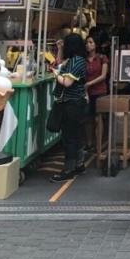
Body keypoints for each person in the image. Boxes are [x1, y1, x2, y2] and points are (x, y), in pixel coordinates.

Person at [50, 33, 88, 183]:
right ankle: (79, 164)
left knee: (70, 137)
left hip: (72, 103)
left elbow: (67, 82)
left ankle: (68, 169)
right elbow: (60, 63)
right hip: (74, 103)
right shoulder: (74, 59)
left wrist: (55, 74)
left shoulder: (77, 61)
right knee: (75, 135)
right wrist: (59, 49)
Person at [84, 34, 108, 153]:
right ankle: (89, 143)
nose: (88, 45)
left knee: (99, 119)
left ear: (96, 44)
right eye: (87, 43)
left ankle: (98, 144)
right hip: (87, 92)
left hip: (100, 91)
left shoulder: (102, 58)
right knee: (88, 118)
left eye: (91, 42)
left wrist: (89, 83)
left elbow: (103, 76)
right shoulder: (84, 60)